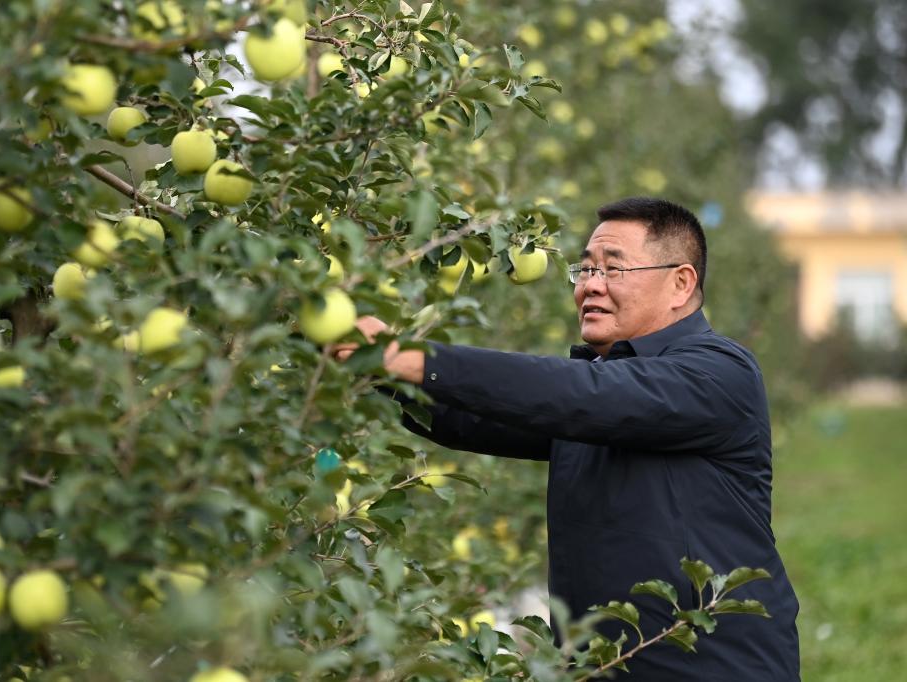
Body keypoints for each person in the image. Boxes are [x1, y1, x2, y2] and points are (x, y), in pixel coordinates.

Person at [334, 197, 800, 680]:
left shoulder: (719, 373)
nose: (591, 286)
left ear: (680, 283)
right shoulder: (599, 393)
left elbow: (579, 394)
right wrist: (375, 368)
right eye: (585, 269)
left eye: (613, 269)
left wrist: (414, 356)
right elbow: (470, 416)